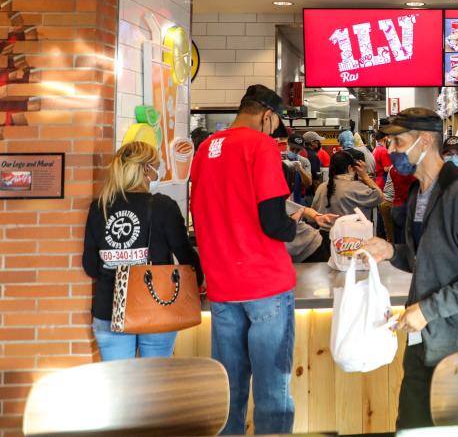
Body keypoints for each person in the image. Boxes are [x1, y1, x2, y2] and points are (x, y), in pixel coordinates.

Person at [364, 108, 458, 430]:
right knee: (411, 426)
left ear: (425, 140)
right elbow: (424, 258)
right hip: (424, 342)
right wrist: (391, 251)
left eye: (398, 141)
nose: (392, 150)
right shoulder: (418, 193)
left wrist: (428, 310)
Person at [190, 84, 303, 435]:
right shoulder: (261, 145)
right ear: (267, 116)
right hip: (265, 284)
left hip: (222, 287)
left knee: (229, 391)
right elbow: (273, 222)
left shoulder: (206, 148)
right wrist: (293, 224)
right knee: (272, 391)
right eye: (275, 124)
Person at [82, 141, 202, 361]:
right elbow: (185, 256)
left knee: (119, 384)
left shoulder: (100, 207)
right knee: (154, 382)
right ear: (147, 169)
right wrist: (199, 280)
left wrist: (117, 265)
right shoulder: (163, 207)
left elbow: (90, 265)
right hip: (158, 304)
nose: (161, 168)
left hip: (110, 309)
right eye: (157, 164)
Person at [280, 162, 338, 263]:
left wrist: (317, 216)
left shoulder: (275, 202)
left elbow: (304, 209)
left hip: (310, 247)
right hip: (290, 256)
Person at [312, 149, 384, 223]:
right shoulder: (357, 187)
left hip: (323, 232)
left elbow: (314, 211)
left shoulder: (321, 187)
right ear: (350, 168)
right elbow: (379, 196)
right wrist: (365, 176)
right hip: (349, 233)